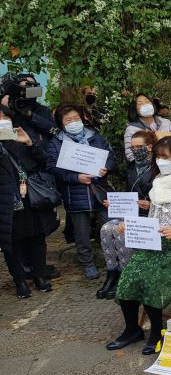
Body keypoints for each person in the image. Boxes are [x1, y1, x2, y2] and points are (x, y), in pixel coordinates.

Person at [107, 137, 171, 355]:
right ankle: (132, 329)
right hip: (159, 242)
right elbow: (154, 219)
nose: (160, 161)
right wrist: (132, 226)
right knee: (130, 273)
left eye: (165, 157)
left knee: (153, 275)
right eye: (158, 157)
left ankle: (156, 332)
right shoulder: (158, 183)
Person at [46, 103, 117, 280]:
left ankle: (116, 261)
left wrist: (105, 169)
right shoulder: (56, 143)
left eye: (76, 118)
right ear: (61, 123)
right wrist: (75, 178)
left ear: (82, 118)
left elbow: (110, 158)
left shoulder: (96, 137)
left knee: (111, 224)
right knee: (82, 232)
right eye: (68, 119)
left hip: (99, 190)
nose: (73, 122)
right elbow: (52, 167)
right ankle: (87, 263)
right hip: (75, 193)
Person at [0, 105, 57, 298]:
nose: (2, 120)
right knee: (12, 243)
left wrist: (29, 143)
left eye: (4, 116)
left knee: (37, 238)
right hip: (6, 201)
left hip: (30, 198)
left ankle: (40, 276)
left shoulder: (20, 137)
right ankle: (20, 281)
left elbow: (44, 162)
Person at [96, 130, 157, 300]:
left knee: (122, 231)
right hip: (134, 212)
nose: (135, 150)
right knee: (106, 228)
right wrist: (115, 203)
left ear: (149, 147)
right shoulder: (131, 167)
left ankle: (126, 274)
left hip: (151, 215)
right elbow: (128, 193)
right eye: (132, 147)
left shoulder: (158, 166)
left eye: (139, 147)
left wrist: (152, 205)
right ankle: (112, 273)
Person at [122, 93, 171, 162]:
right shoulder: (131, 129)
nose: (145, 105)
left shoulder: (166, 123)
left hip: (170, 165)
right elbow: (130, 155)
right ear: (135, 109)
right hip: (147, 169)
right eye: (140, 103)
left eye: (147, 101)